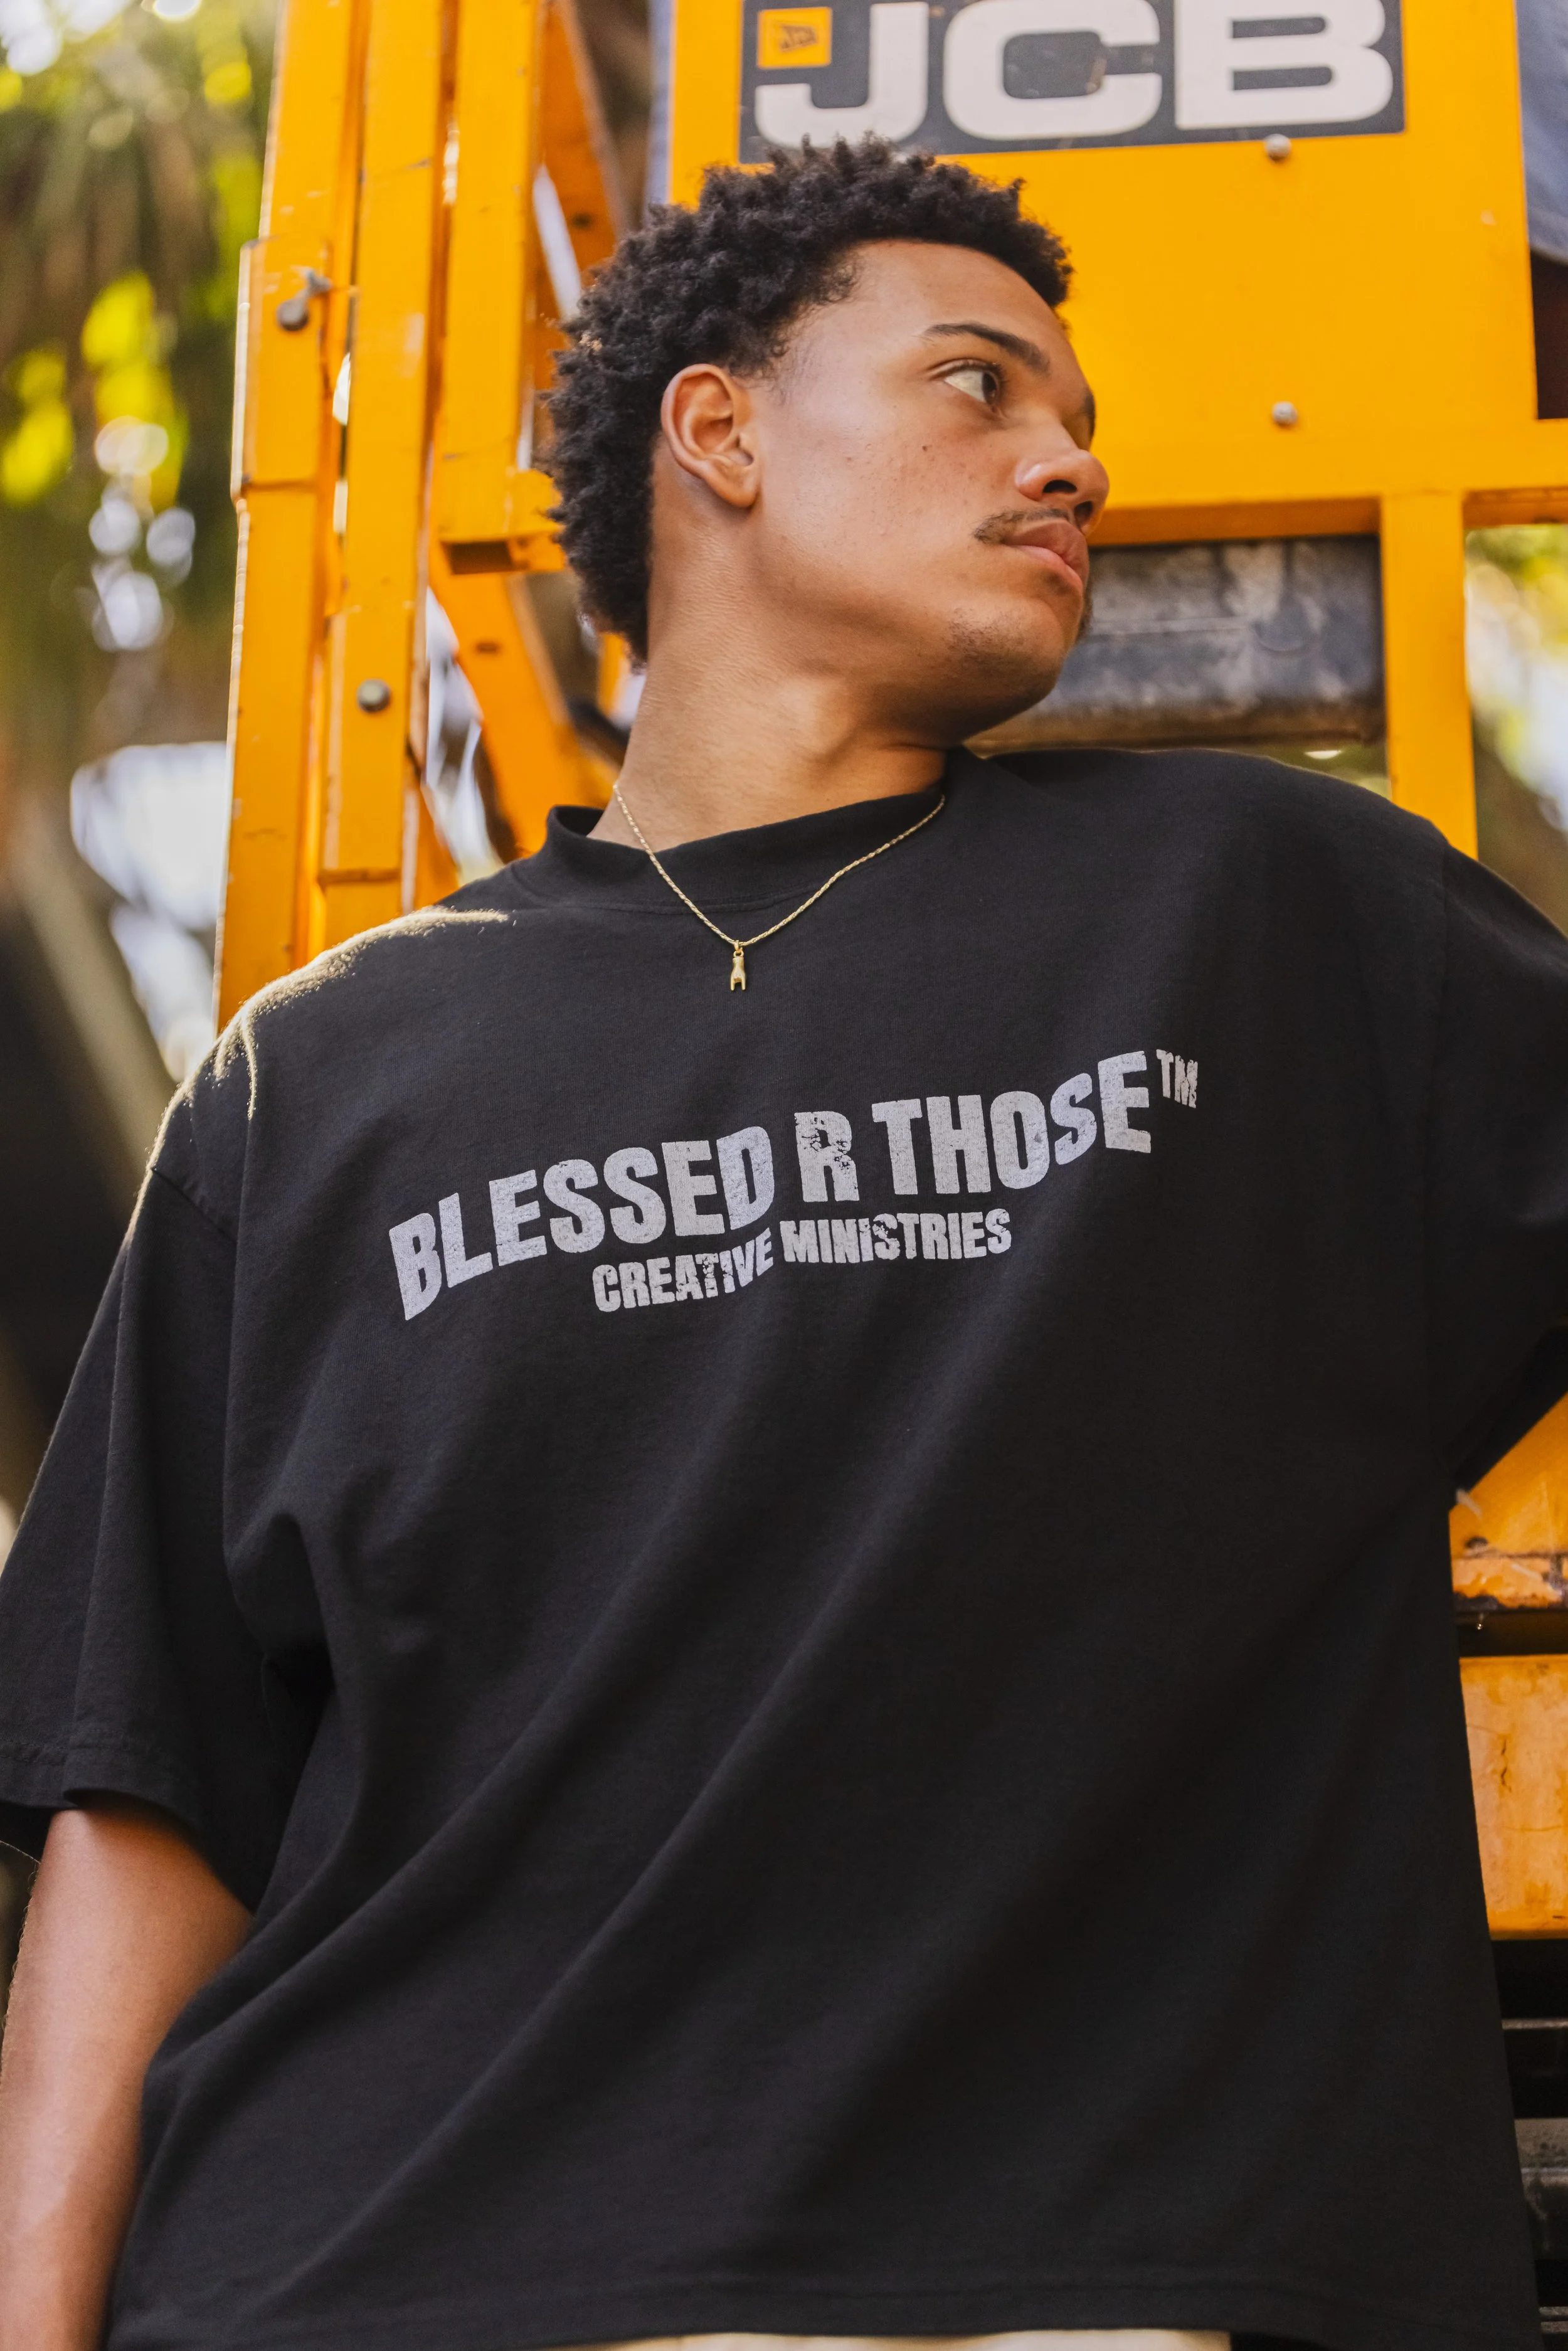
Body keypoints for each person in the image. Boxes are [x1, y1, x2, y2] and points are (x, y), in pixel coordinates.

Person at [0, 135, 1555, 2351]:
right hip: (378, 2274)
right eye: (976, 386)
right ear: (715, 430)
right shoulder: (326, 1075)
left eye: (1074, 423)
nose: (1068, 466)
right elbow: (146, 1810)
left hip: (1110, 2282)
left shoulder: (1266, 916)